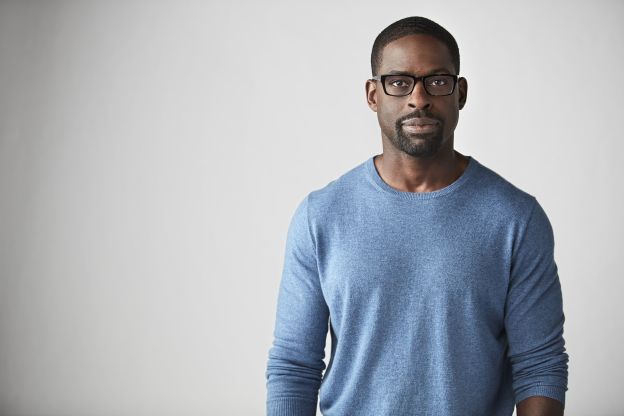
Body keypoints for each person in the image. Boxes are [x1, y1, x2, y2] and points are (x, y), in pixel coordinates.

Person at [265, 16, 569, 416]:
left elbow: (539, 366)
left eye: (437, 81)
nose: (419, 98)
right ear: (373, 94)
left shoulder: (516, 218)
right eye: (399, 82)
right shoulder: (320, 216)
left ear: (460, 92)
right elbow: (294, 366)